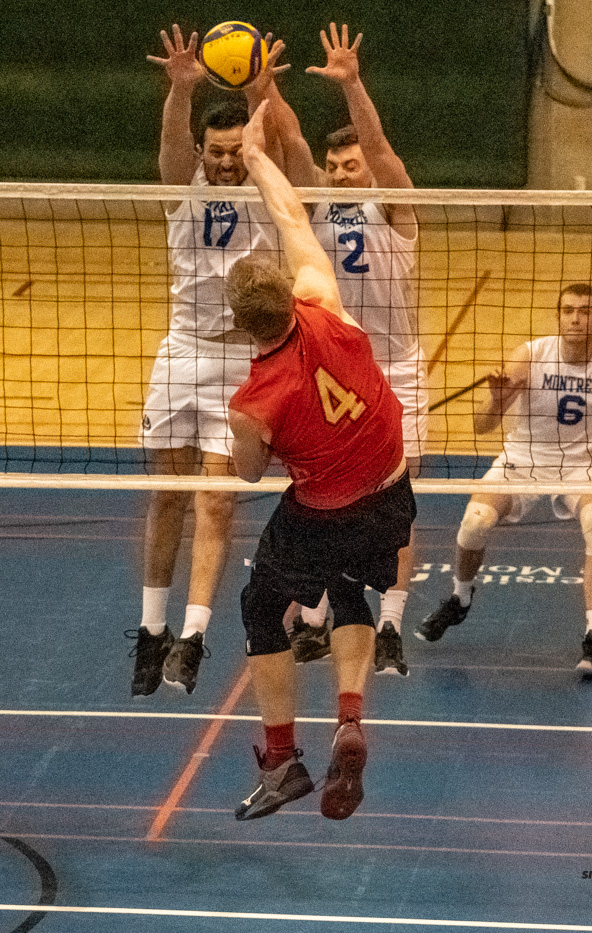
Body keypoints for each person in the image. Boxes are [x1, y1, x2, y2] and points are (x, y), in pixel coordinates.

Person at [224, 101, 414, 822]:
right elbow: (292, 219)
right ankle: (351, 714)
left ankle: (281, 760)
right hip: (393, 483)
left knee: (260, 605)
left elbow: (247, 471)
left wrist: (246, 427)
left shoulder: (254, 399)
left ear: (244, 324)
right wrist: (254, 154)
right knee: (350, 588)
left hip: (328, 505)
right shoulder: (323, 301)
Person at [130, 26, 310, 697]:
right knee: (166, 494)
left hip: (242, 363)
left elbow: (295, 154)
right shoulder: (185, 184)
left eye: (237, 150)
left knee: (217, 501)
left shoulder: (269, 189)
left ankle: (194, 635)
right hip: (182, 353)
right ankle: (150, 632)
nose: (227, 161)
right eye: (218, 151)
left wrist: (267, 90)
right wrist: (181, 90)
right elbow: (173, 145)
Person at [267, 25, 426, 678]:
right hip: (336, 376)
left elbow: (382, 146)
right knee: (324, 497)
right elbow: (293, 144)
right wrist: (265, 87)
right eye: (334, 168)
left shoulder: (394, 209)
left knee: (396, 505)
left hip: (397, 371)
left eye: (348, 165)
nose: (338, 172)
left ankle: (388, 624)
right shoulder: (318, 212)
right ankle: (314, 613)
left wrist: (354, 84)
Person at [416, 284, 592, 678]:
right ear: (558, 316)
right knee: (474, 521)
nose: (575, 318)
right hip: (523, 459)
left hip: (582, 466)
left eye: (584, 311)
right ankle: (460, 598)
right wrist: (497, 401)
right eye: (567, 310)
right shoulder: (532, 356)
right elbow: (482, 427)